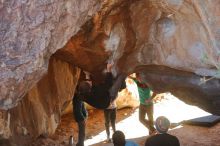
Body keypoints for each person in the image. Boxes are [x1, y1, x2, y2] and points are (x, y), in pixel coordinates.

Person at [72, 81, 90, 146]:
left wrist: (85, 114)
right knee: (82, 132)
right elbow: (77, 110)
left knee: (82, 132)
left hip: (81, 116)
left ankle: (80, 143)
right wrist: (83, 118)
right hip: (80, 117)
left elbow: (81, 106)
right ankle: (80, 144)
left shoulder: (79, 95)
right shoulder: (78, 97)